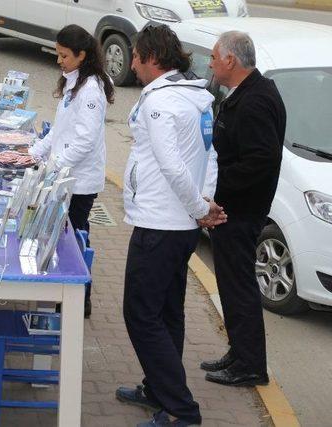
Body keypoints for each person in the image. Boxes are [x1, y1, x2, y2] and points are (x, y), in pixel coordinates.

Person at [114, 25, 226, 427]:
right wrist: (205, 203)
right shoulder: (198, 98)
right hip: (180, 226)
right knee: (166, 312)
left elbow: (170, 163)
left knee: (140, 314)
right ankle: (158, 389)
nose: (131, 64)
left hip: (160, 222)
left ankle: (180, 409)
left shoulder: (160, 101)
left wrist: (200, 206)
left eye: (135, 57)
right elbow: (210, 154)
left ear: (151, 57)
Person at [200, 31, 285, 387]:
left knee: (239, 287)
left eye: (214, 57)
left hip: (239, 211)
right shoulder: (247, 93)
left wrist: (216, 193)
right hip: (234, 209)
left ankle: (250, 365)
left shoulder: (255, 101)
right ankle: (239, 352)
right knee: (231, 285)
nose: (210, 64)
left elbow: (260, 161)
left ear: (231, 61)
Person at [28, 24, 114, 317]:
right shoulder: (72, 80)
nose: (59, 61)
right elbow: (60, 130)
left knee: (76, 239)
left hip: (79, 181)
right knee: (62, 235)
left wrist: (53, 166)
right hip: (65, 174)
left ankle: (80, 297)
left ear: (82, 55)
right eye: (58, 54)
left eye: (64, 56)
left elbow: (84, 141)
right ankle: (63, 290)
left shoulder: (90, 90)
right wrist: (34, 153)